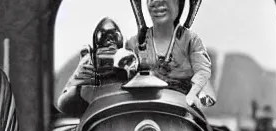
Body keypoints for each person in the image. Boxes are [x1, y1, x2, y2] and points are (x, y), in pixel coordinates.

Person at [66, 0, 215, 108]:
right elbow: (120, 85)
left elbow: (203, 78)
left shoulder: (191, 41)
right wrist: (88, 75)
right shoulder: (133, 44)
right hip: (141, 113)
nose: (157, 4)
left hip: (180, 110)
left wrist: (195, 92)